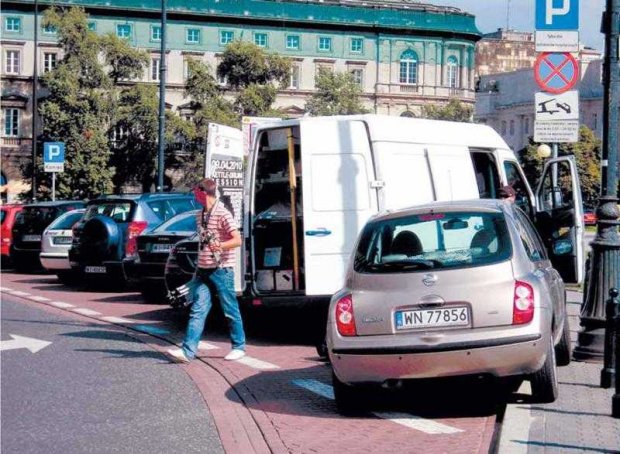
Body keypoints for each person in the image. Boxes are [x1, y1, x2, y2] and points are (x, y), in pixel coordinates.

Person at [167, 178, 246, 363]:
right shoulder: (200, 214)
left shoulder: (223, 214)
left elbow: (237, 240)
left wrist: (221, 246)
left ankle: (239, 346)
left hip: (222, 270)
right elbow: (203, 244)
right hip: (203, 270)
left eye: (195, 192)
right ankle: (188, 352)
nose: (194, 195)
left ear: (203, 193)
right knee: (198, 309)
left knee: (230, 309)